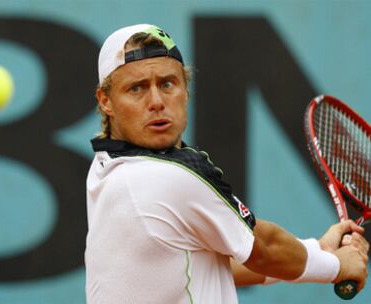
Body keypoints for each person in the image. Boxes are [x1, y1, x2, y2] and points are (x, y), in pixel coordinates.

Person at [85, 24, 369, 304]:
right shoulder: (167, 177)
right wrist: (337, 266)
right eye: (137, 88)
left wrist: (318, 250)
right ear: (106, 101)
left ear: (185, 89)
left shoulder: (105, 169)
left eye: (167, 84)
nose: (157, 101)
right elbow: (264, 248)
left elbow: (213, 262)